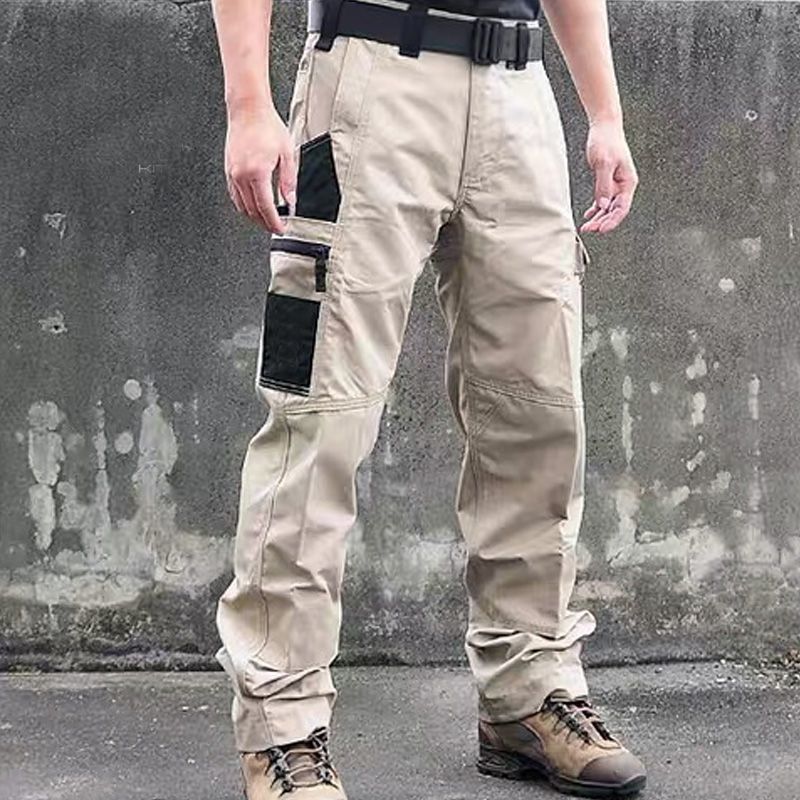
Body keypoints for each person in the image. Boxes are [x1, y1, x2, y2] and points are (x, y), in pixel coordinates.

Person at [210, 0, 643, 797]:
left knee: (537, 414)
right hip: (372, 75)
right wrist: (248, 104)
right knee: (321, 417)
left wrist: (605, 114)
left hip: (518, 92)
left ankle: (528, 690)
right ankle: (282, 727)